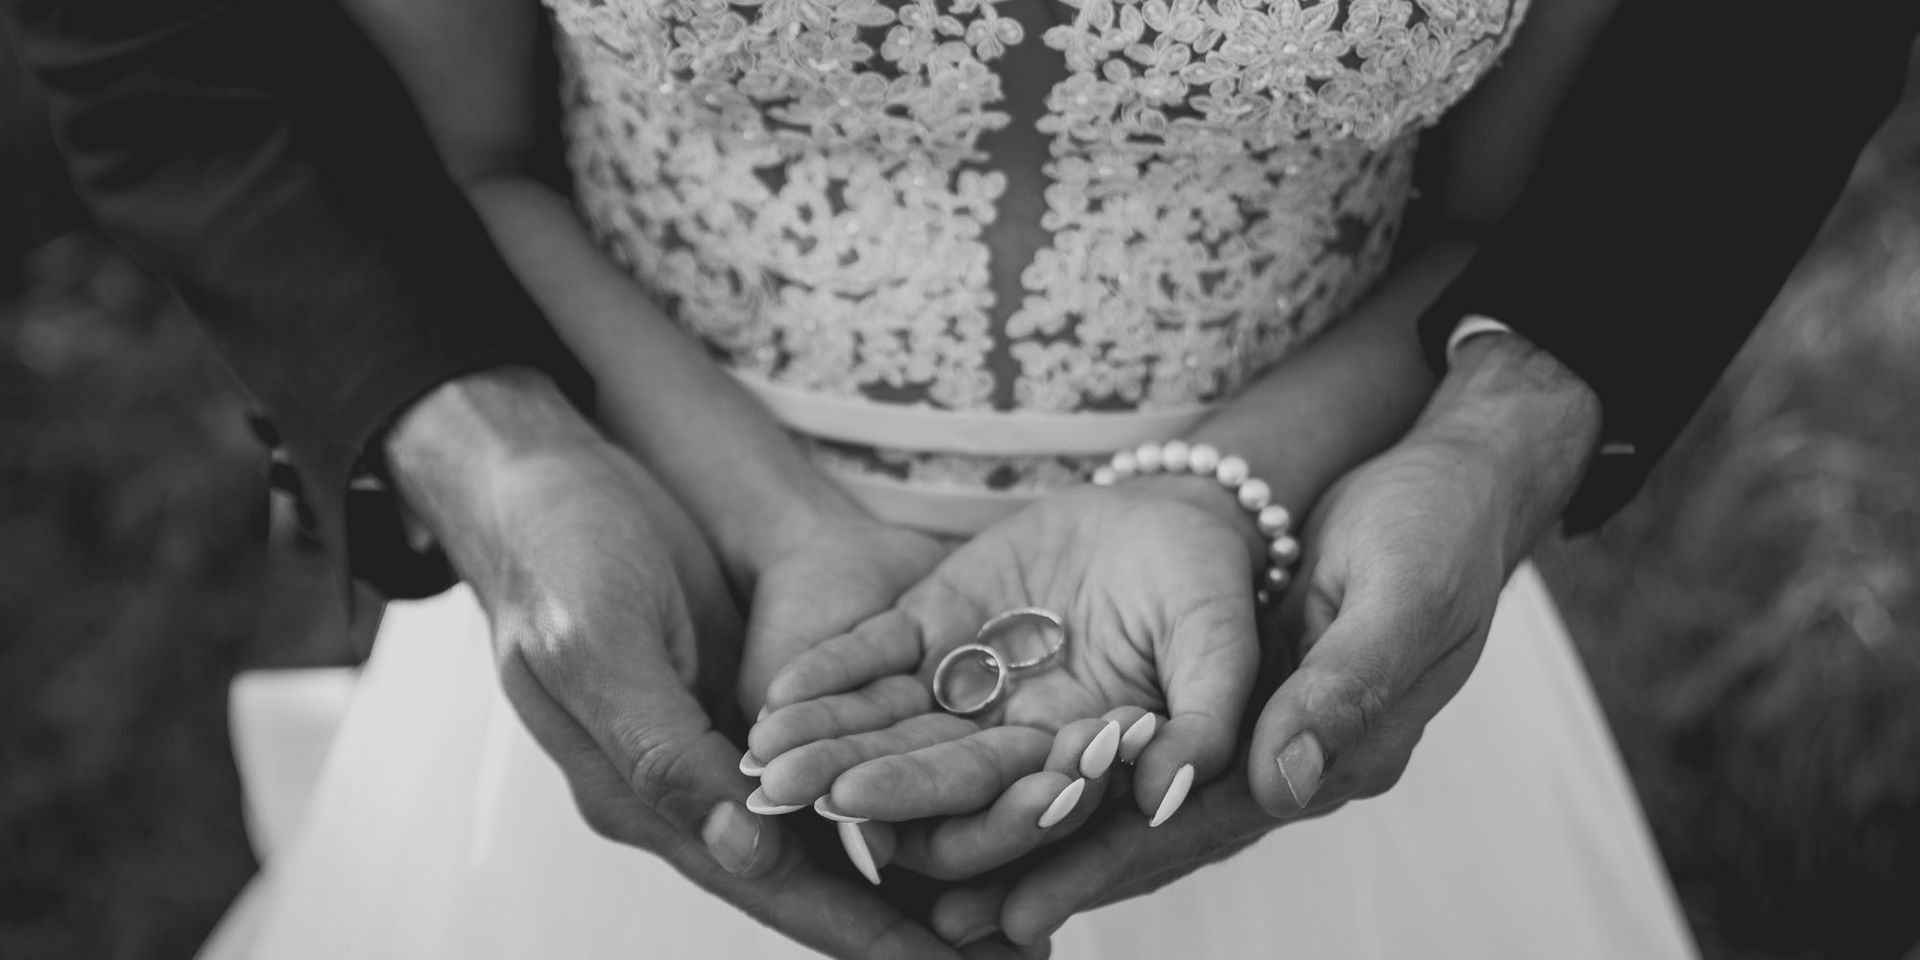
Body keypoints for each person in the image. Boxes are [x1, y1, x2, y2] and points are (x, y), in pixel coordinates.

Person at [2, 1, 1912, 959]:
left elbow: (1500, 212)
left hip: (1299, 576)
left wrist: (1228, 489)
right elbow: (469, 151)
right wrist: (729, 509)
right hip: (655, 546)